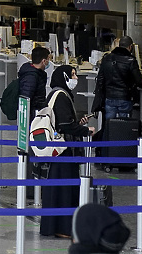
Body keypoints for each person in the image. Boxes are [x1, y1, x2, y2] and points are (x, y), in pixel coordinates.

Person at [41, 65, 94, 238]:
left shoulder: (56, 94)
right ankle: (63, 228)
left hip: (58, 150)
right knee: (65, 189)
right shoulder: (61, 96)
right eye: (72, 74)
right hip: (63, 151)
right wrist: (85, 131)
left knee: (57, 188)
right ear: (64, 77)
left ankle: (54, 226)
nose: (75, 78)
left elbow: (64, 122)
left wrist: (78, 123)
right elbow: (65, 126)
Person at [93, 36, 142, 120]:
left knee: (110, 124)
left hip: (109, 98)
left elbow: (100, 80)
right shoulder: (131, 61)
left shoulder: (106, 59)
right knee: (123, 125)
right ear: (130, 47)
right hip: (124, 98)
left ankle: (110, 133)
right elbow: (140, 82)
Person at [19, 46, 52, 117]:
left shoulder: (37, 73)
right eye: (48, 59)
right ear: (43, 61)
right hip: (33, 112)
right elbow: (26, 96)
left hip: (36, 109)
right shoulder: (31, 76)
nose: (48, 62)